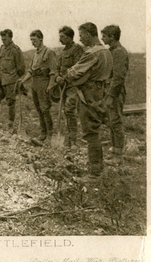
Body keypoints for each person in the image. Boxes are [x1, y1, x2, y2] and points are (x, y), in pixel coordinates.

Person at [57, 22, 113, 181]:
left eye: (81, 35)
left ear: (89, 34)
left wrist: (64, 76)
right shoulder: (106, 52)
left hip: (88, 95)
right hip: (100, 93)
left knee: (90, 133)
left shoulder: (92, 53)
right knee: (95, 130)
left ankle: (94, 173)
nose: (80, 39)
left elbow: (74, 72)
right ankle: (99, 167)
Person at [17, 30, 58, 142]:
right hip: (35, 84)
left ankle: (49, 135)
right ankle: (43, 133)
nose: (32, 42)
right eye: (31, 40)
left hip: (44, 83)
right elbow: (31, 71)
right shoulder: (35, 54)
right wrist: (22, 81)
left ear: (41, 39)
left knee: (45, 109)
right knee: (39, 110)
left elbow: (54, 71)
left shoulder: (49, 52)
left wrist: (50, 85)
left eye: (34, 40)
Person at [101, 25, 129, 165]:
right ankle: (114, 151)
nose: (102, 38)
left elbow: (118, 77)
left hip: (115, 92)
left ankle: (118, 156)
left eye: (104, 36)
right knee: (111, 121)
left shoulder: (119, 52)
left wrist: (111, 95)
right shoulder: (112, 51)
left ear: (112, 37)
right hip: (109, 90)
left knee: (116, 122)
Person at [54, 26, 85, 149]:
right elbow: (57, 67)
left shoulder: (77, 49)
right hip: (63, 86)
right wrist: (57, 77)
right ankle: (67, 139)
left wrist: (64, 78)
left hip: (73, 86)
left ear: (69, 37)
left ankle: (73, 140)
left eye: (62, 37)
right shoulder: (63, 51)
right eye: (60, 36)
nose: (60, 39)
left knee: (70, 110)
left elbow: (77, 68)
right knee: (65, 111)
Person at [0, 29, 25, 131]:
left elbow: (21, 68)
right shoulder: (1, 48)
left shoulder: (15, 50)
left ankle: (10, 126)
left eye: (5, 38)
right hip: (0, 81)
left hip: (10, 82)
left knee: (11, 103)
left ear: (10, 38)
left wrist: (14, 79)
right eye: (2, 38)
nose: (3, 40)